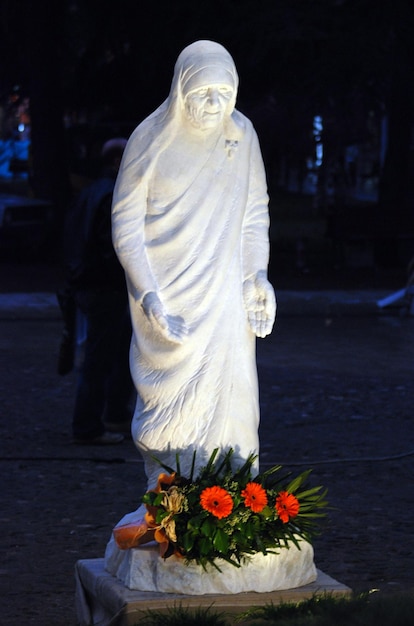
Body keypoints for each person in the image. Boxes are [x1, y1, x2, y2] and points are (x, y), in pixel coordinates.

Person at [107, 39, 276, 497]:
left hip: (223, 298)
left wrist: (255, 275)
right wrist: (150, 296)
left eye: (225, 92)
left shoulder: (241, 136)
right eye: (203, 92)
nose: (214, 103)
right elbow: (126, 226)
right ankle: (172, 502)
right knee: (169, 410)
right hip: (169, 296)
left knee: (232, 398)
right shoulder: (151, 139)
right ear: (182, 90)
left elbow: (253, 214)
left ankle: (234, 501)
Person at [64, 138, 135, 444]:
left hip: (93, 284)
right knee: (101, 358)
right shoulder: (112, 194)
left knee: (109, 354)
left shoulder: (92, 191)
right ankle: (90, 426)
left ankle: (111, 417)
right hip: (107, 287)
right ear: (118, 161)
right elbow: (111, 247)